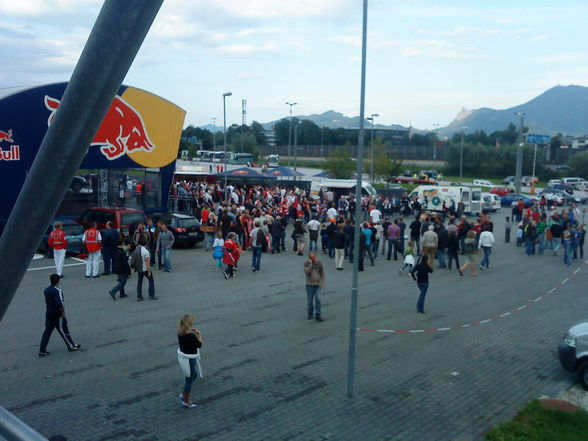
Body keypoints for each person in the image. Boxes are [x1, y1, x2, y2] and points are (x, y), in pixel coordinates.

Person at [38, 274, 81, 357]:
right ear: (58, 281)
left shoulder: (46, 290)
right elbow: (60, 304)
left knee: (47, 332)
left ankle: (42, 350)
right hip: (57, 314)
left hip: (49, 313)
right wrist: (62, 313)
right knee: (64, 330)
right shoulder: (58, 291)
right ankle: (71, 346)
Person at [177, 314, 203, 409]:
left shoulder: (180, 333)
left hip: (184, 358)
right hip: (190, 359)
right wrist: (199, 334)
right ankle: (186, 400)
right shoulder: (191, 336)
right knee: (189, 379)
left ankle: (184, 394)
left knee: (194, 375)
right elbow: (199, 345)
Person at [304, 252, 326, 321]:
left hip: (317, 284)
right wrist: (311, 264)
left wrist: (323, 282)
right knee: (310, 300)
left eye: (314, 257)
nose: (313, 259)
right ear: (309, 258)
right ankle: (310, 313)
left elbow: (322, 272)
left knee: (318, 299)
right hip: (309, 285)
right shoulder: (306, 263)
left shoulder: (319, 263)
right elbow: (307, 272)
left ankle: (318, 314)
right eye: (311, 258)